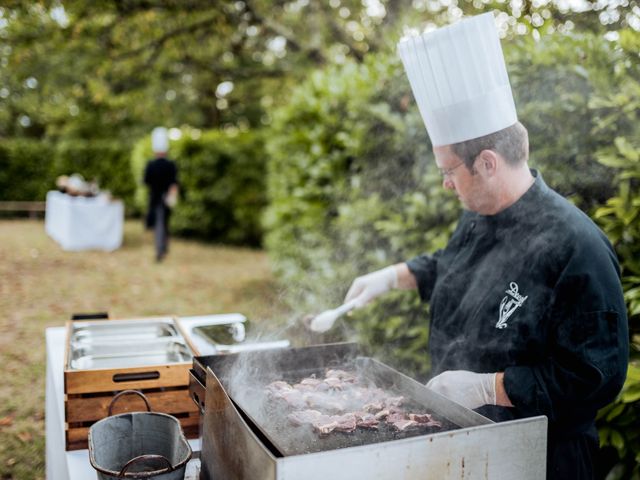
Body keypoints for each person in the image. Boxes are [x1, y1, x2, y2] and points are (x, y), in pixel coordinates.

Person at [340, 13, 628, 480]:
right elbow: (451, 267)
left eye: (450, 171)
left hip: (543, 459)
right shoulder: (481, 216)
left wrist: (486, 388)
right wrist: (392, 277)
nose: (446, 185)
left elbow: (595, 376)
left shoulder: (578, 249)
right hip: (473, 444)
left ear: (488, 163)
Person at [144, 127, 179, 262]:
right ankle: (164, 247)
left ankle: (160, 249)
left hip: (156, 197)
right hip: (167, 197)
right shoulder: (171, 164)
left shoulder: (151, 165)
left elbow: (146, 181)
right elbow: (174, 182)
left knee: (159, 224)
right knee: (164, 223)